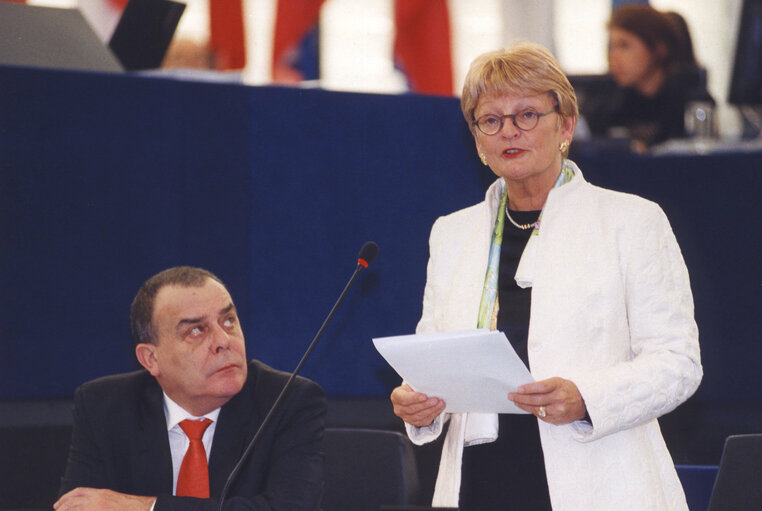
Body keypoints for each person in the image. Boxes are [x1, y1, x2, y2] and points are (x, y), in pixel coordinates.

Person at [389, 42, 702, 511]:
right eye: (490, 120)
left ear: (566, 125)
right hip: (481, 480)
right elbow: (434, 353)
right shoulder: (452, 234)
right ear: (477, 140)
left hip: (599, 476)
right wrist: (417, 403)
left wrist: (587, 397)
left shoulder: (631, 221)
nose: (508, 131)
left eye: (527, 114)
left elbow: (678, 362)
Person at [55, 266, 326, 511]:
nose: (223, 341)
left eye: (228, 320)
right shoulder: (103, 406)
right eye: (196, 330)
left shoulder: (287, 400)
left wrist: (147, 508)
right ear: (151, 359)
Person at [584, 4, 714, 150]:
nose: (613, 56)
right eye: (611, 47)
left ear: (659, 49)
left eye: (624, 46)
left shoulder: (691, 101)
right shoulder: (607, 103)